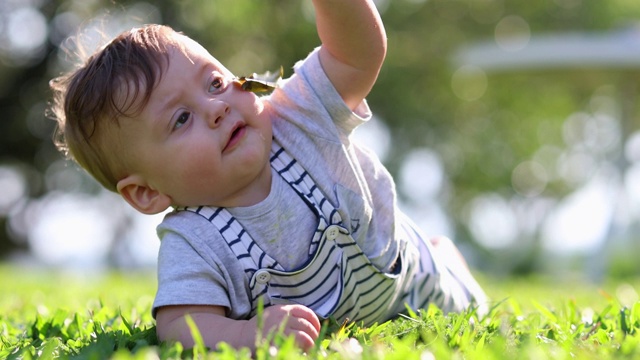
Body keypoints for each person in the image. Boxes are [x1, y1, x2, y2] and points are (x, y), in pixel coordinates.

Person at [49, 0, 487, 352]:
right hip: (348, 325)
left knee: (467, 308)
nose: (216, 108)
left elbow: (357, 54)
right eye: (181, 119)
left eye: (215, 83)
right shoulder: (194, 238)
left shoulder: (296, 116)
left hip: (416, 282)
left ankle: (445, 254)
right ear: (146, 191)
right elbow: (179, 325)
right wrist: (247, 335)